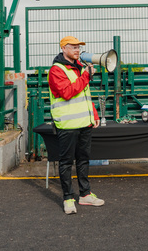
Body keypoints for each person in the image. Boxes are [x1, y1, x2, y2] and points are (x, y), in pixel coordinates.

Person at [48, 36, 105, 214]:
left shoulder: (79, 68)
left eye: (78, 47)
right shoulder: (56, 70)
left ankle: (85, 194)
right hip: (67, 124)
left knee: (83, 159)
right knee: (66, 162)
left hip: (84, 123)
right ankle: (68, 198)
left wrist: (94, 114)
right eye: (73, 47)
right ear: (64, 48)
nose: (77, 50)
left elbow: (85, 95)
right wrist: (86, 76)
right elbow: (67, 93)